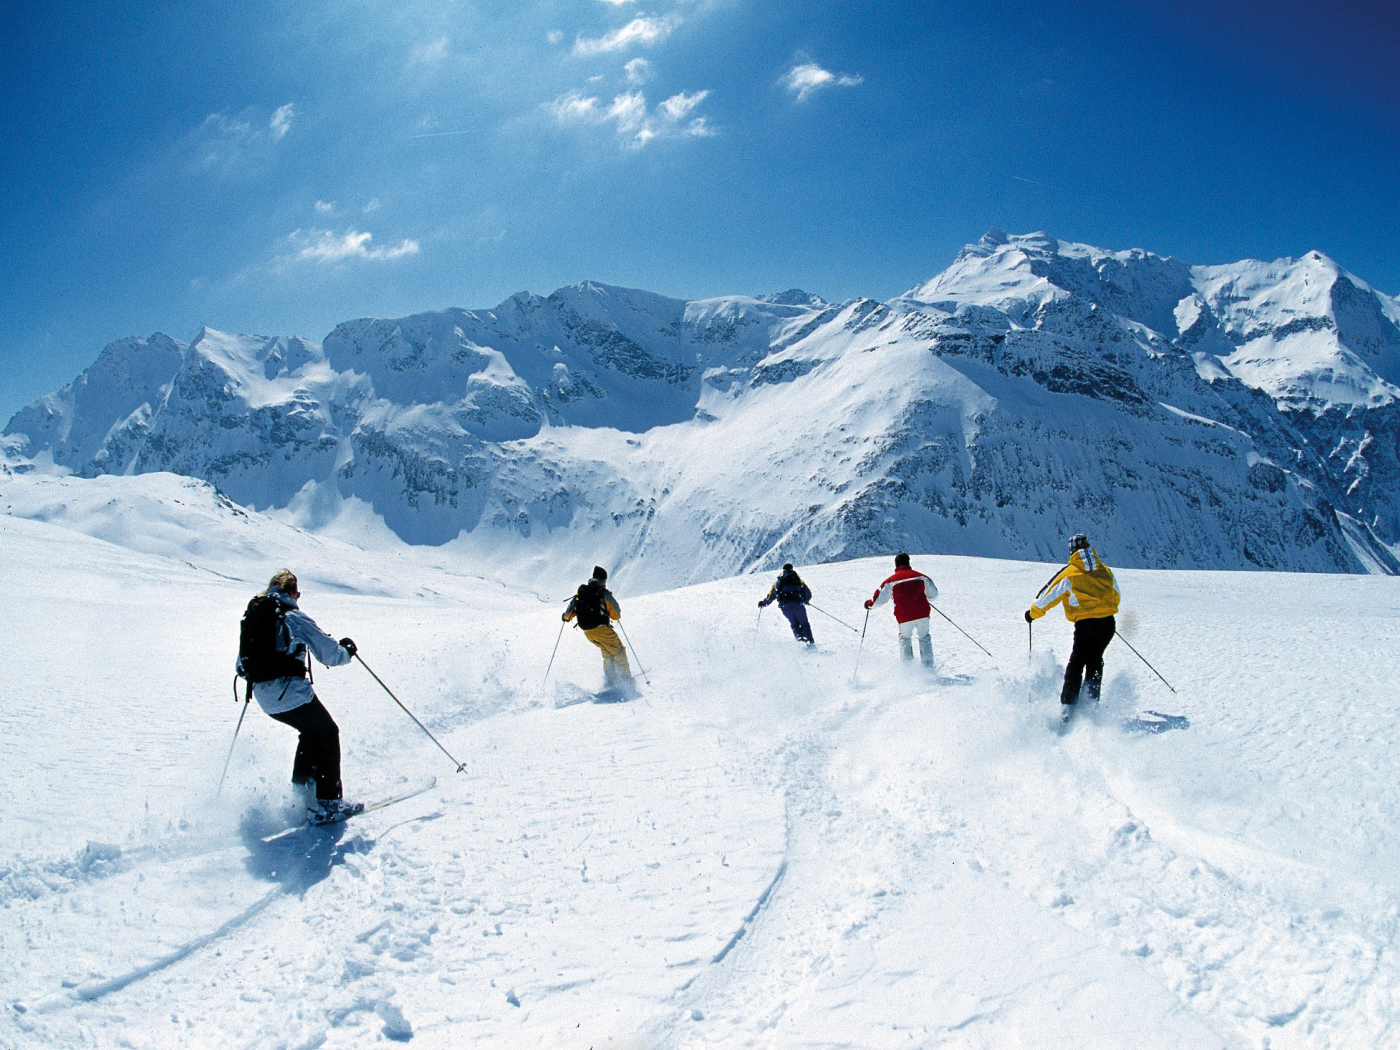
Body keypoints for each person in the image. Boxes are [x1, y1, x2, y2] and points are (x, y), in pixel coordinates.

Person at [236, 570, 361, 824]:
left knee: (311, 733)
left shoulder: (255, 614)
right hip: (290, 691)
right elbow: (328, 654)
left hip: (263, 697)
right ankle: (329, 804)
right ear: (292, 592)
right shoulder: (292, 616)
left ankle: (302, 796)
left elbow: (240, 665)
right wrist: (347, 651)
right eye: (298, 593)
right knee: (327, 732)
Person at [1025, 534, 1120, 712]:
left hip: (1086, 626)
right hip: (1108, 624)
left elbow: (1049, 596)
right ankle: (1090, 705)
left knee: (1077, 662)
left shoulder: (1070, 573)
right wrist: (1102, 609)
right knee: (1095, 660)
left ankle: (1068, 707)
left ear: (1072, 551)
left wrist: (1032, 613)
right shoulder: (1106, 571)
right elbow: (1116, 596)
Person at [563, 566, 634, 691]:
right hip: (601, 629)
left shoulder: (582, 593)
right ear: (604, 579)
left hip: (587, 632)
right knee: (618, 651)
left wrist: (565, 617)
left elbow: (567, 616)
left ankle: (611, 679)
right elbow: (616, 615)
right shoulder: (603, 594)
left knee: (607, 652)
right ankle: (625, 680)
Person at [864, 552, 939, 668]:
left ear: (896, 564)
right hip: (922, 614)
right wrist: (926, 597)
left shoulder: (891, 581)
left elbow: (879, 599)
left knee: (905, 638)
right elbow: (934, 594)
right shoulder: (921, 577)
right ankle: (928, 668)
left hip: (904, 617)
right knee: (924, 638)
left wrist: (869, 605)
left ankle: (908, 670)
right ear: (908, 562)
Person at [758, 563, 814, 645]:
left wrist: (763, 603)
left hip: (785, 608)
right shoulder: (799, 581)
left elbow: (770, 597)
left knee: (794, 624)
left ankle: (800, 643)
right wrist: (804, 601)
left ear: (783, 571)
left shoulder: (778, 583)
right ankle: (810, 643)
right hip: (799, 606)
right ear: (792, 569)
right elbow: (808, 594)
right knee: (804, 624)